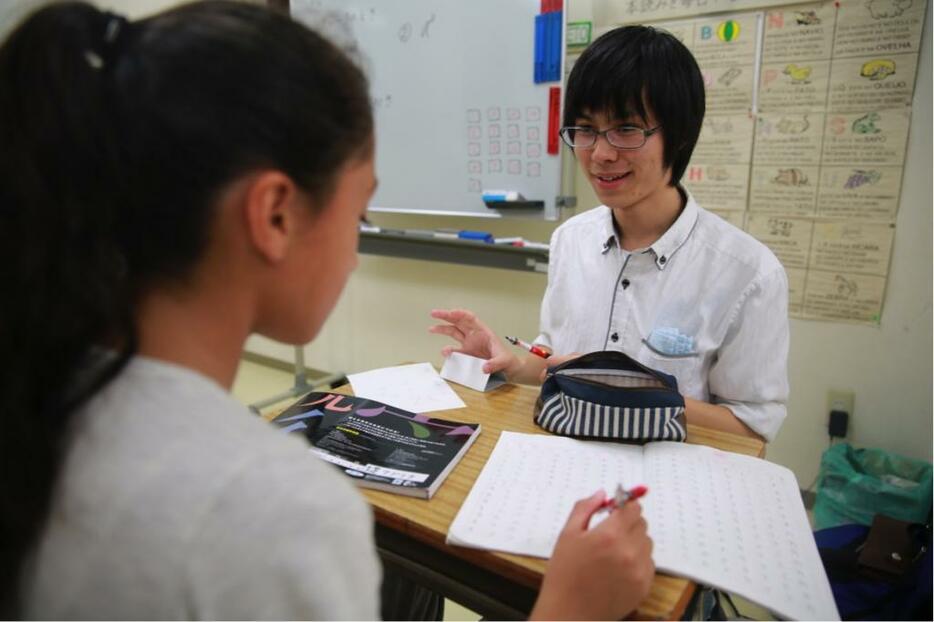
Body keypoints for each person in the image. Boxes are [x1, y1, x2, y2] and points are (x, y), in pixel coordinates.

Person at [0, 1, 654, 619]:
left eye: (625, 130)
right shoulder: (278, 513)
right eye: (360, 211)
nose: (602, 151)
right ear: (276, 214)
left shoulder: (42, 395)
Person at [431, 25, 789, 443]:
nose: (600, 153)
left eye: (626, 129)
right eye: (585, 129)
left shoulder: (749, 273)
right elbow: (558, 366)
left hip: (666, 485)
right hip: (558, 463)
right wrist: (509, 364)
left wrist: (630, 392)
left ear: (680, 133)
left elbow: (751, 426)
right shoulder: (571, 240)